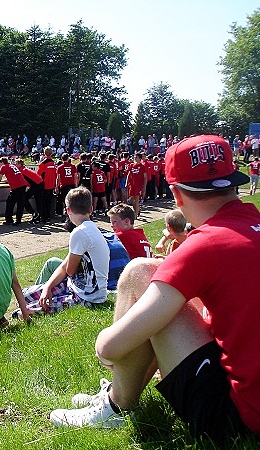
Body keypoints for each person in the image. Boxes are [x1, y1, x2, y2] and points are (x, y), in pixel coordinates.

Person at [49, 135, 259, 444]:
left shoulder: (205, 244)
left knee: (140, 272)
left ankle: (115, 403)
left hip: (239, 421)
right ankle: (117, 394)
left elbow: (109, 348)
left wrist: (116, 352)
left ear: (176, 194)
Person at [38, 186, 110, 308]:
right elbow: (64, 266)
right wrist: (47, 287)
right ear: (91, 209)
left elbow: (70, 270)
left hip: (87, 296)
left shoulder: (79, 232)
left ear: (68, 210)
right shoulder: (91, 228)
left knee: (27, 307)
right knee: (29, 296)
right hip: (87, 290)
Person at [0, 157, 28, 225]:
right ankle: (18, 220)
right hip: (23, 184)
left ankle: (9, 220)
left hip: (16, 186)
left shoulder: (3, 167)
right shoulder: (12, 166)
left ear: (2, 162)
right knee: (20, 203)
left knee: (10, 203)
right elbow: (12, 176)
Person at [15, 158, 43, 223]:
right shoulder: (24, 168)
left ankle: (34, 213)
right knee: (38, 200)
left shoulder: (21, 171)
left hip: (36, 184)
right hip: (39, 182)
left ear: (20, 164)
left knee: (24, 199)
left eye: (16, 164)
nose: (15, 165)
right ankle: (38, 216)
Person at [37, 146, 58, 223]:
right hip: (51, 185)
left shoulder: (43, 163)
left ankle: (44, 218)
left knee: (43, 202)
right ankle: (48, 217)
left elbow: (38, 174)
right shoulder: (53, 163)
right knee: (49, 202)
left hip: (45, 185)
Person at [55, 152, 78, 218]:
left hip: (64, 185)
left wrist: (56, 186)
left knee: (62, 199)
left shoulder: (60, 167)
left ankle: (60, 213)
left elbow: (58, 178)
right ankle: (71, 212)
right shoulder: (73, 166)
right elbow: (75, 177)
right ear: (68, 159)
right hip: (71, 184)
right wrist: (76, 185)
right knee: (71, 199)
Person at [125, 152, 147, 219]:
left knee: (136, 199)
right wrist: (126, 182)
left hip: (138, 185)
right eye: (134, 157)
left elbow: (145, 177)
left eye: (136, 157)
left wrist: (144, 186)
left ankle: (135, 214)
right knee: (132, 199)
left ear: (140, 158)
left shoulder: (142, 166)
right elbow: (129, 174)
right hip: (131, 184)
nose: (135, 158)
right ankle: (137, 210)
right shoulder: (131, 165)